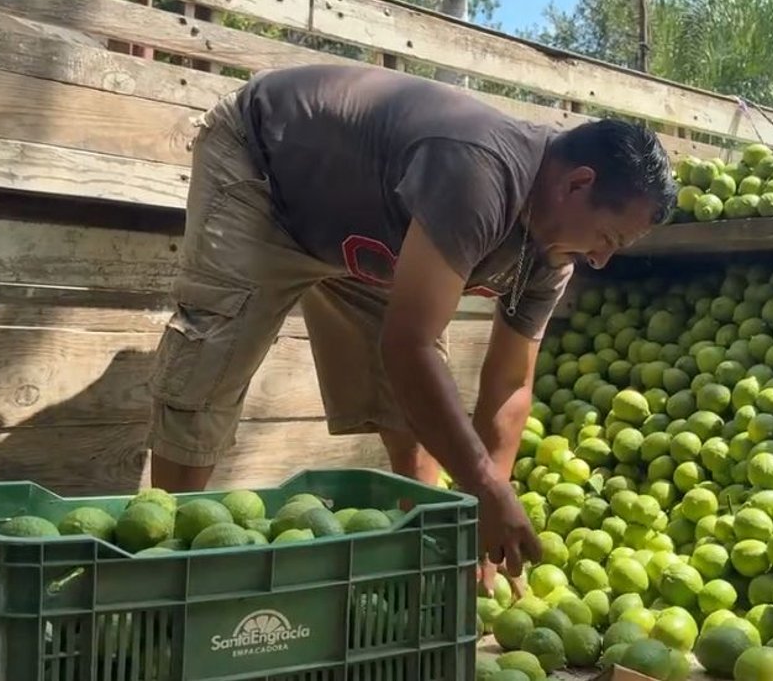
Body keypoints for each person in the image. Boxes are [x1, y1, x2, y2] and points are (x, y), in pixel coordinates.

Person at [146, 63, 676, 579]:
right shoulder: (482, 173)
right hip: (265, 170)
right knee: (211, 360)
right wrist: (484, 489)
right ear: (577, 185)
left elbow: (510, 383)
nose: (600, 261)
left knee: (413, 411)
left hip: (372, 236)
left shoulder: (552, 255)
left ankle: (429, 567)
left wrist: (488, 511)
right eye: (608, 240)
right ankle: (171, 559)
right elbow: (409, 344)